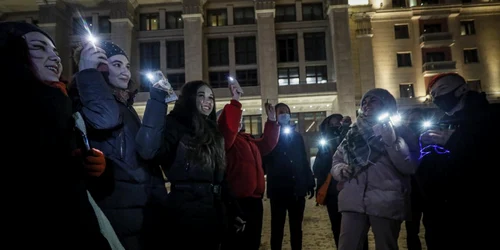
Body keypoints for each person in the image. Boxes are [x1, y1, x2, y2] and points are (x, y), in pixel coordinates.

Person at [0, 21, 110, 249]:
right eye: (40, 48)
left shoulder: (59, 101)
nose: (56, 58)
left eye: (55, 51)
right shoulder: (28, 106)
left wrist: (92, 168)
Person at [70, 41, 168, 250]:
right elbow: (105, 119)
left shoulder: (126, 106)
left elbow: (147, 151)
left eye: (126, 66)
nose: (125, 72)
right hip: (119, 213)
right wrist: (87, 73)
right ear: (99, 68)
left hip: (144, 211)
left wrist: (158, 101)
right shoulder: (87, 101)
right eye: (116, 65)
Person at [136, 78, 243, 249]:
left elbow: (220, 179)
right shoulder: (176, 124)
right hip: (185, 214)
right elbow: (151, 151)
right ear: (189, 98)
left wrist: (233, 210)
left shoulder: (213, 131)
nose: (207, 102)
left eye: (210, 98)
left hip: (213, 213)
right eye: (201, 96)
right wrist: (157, 101)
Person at [419, 73, 499, 249]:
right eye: (433, 94)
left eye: (443, 89)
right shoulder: (442, 122)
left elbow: (487, 159)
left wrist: (455, 142)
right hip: (441, 215)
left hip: (476, 212)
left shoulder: (490, 117)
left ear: (462, 89)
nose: (437, 96)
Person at [331, 88, 419, 250]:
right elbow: (337, 159)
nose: (366, 105)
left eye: (373, 100)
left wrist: (392, 142)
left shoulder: (400, 130)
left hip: (385, 201)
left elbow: (409, 166)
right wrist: (340, 170)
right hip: (353, 200)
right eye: (364, 101)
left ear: (386, 104)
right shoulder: (353, 132)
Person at [218, 85, 280, 250]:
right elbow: (227, 129)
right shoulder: (225, 140)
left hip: (255, 200)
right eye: (236, 119)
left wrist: (272, 121)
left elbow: (267, 144)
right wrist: (235, 101)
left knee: (253, 242)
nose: (239, 121)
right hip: (237, 202)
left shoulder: (247, 139)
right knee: (237, 243)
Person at [263, 103, 315, 250]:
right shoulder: (270, 136)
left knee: (296, 229)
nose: (284, 114)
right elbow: (265, 156)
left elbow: (303, 160)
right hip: (279, 191)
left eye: (287, 111)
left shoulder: (297, 137)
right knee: (277, 229)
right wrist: (272, 127)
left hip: (297, 191)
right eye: (281, 112)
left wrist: (309, 181)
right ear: (275, 115)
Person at [313, 114, 369, 250]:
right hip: (334, 192)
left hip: (353, 189)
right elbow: (318, 168)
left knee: (358, 229)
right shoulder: (326, 144)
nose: (337, 125)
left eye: (340, 123)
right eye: (334, 124)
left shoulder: (353, 137)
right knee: (339, 228)